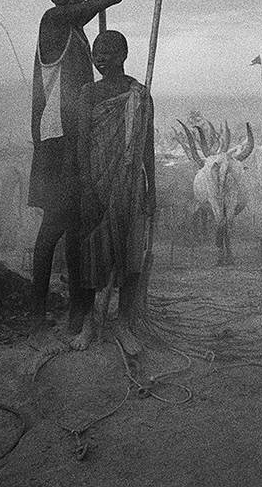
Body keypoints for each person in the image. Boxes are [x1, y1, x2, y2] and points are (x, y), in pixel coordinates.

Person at [28, 0, 166, 332]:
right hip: (57, 144)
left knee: (75, 228)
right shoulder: (53, 21)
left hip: (73, 141)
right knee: (54, 229)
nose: (72, 1)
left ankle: (77, 312)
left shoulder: (73, 28)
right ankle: (39, 314)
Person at [71, 30, 155, 353]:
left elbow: (147, 145)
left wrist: (151, 188)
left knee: (130, 253)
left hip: (130, 185)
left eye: (107, 52)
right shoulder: (88, 94)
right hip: (97, 182)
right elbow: (82, 144)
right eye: (96, 52)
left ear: (124, 54)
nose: (100, 58)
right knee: (93, 251)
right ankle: (90, 323)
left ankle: (123, 323)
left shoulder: (140, 95)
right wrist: (86, 188)